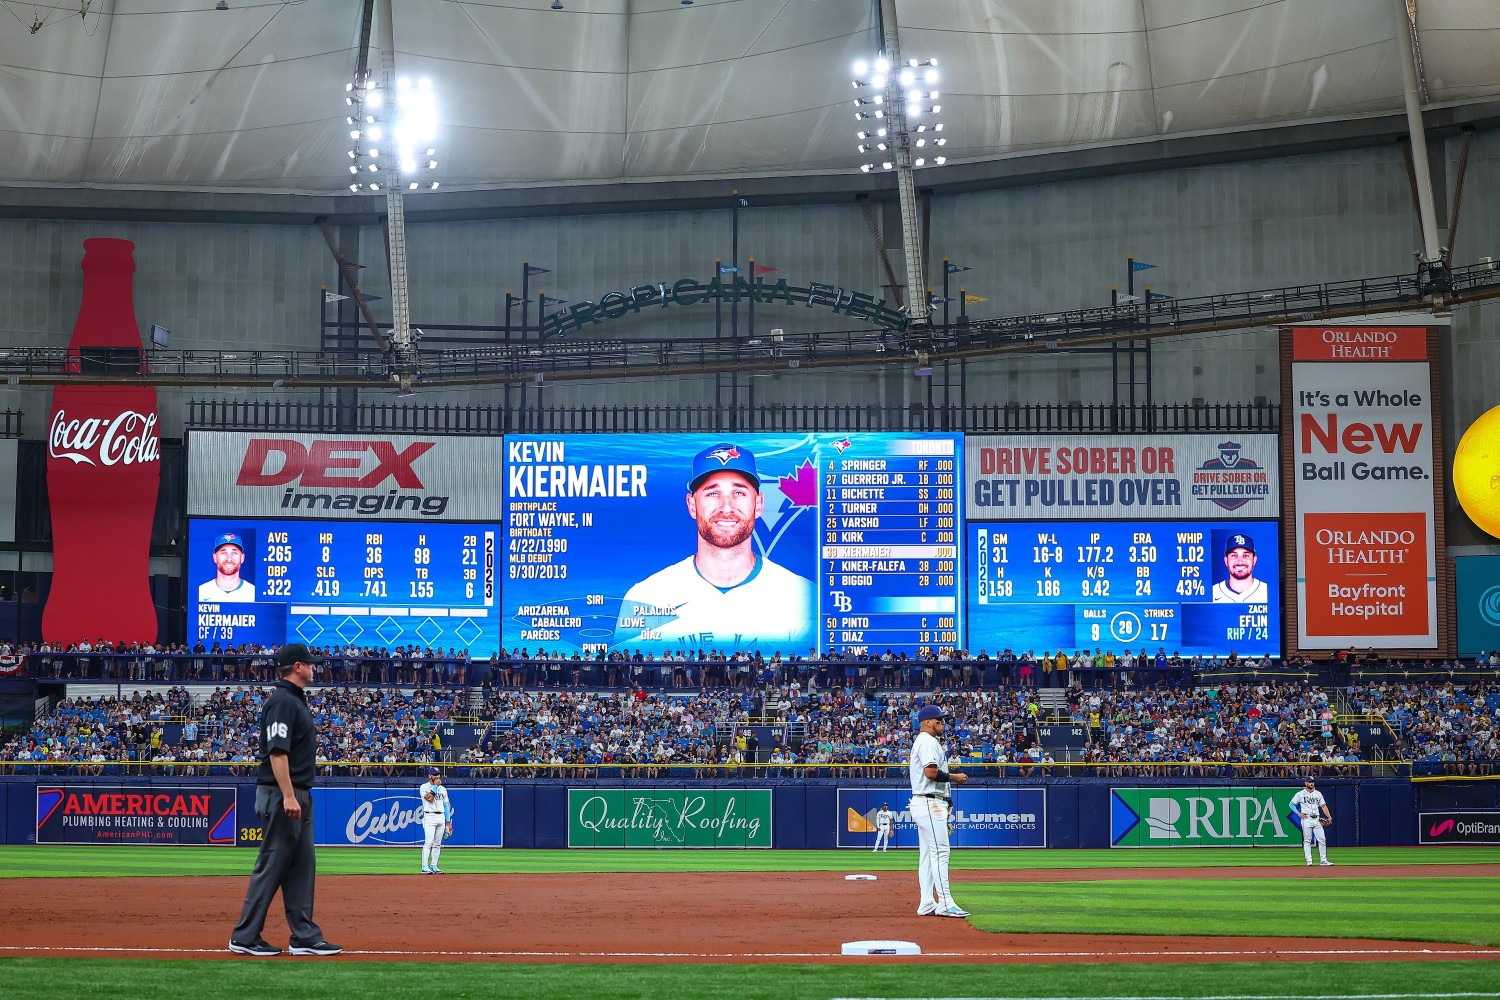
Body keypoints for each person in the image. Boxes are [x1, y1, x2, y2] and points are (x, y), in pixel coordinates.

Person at [616, 443, 813, 649]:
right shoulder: (645, 597)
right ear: (692, 505)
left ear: (759, 504)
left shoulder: (802, 596)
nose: (726, 507)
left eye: (739, 493)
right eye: (712, 493)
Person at [229, 643, 341, 957]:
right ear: (297, 666)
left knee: (303, 866)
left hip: (297, 793)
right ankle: (244, 936)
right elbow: (278, 753)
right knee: (271, 865)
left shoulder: (294, 699)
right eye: (310, 663)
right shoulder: (282, 701)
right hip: (283, 794)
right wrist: (289, 796)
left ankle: (304, 936)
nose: (314, 667)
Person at [908, 704, 968, 918]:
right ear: (927, 722)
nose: (943, 723)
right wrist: (955, 777)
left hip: (930, 801)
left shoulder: (927, 741)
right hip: (929, 803)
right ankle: (945, 903)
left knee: (927, 855)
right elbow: (931, 773)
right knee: (941, 851)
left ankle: (927, 902)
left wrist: (947, 798)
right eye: (939, 720)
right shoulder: (927, 741)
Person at [199, 532, 257, 603]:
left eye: (234, 553)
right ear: (215, 557)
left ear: (242, 558)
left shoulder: (254, 593)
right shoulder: (201, 592)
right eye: (223, 553)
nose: (229, 559)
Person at [1290, 776, 1334, 867]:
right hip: (1306, 819)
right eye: (1309, 782)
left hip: (1317, 819)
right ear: (1305, 783)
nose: (1311, 783)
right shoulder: (1300, 794)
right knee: (1307, 840)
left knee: (1322, 839)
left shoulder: (1318, 794)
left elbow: (1323, 806)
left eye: (1312, 782)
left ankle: (1323, 860)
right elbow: (1291, 804)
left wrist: (1329, 817)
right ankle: (1309, 861)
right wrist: (1298, 813)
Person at [1212, 532, 1267, 603]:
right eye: (1234, 555)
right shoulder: (1212, 593)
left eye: (1246, 555)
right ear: (1226, 561)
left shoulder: (1267, 592)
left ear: (1254, 560)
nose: (1240, 561)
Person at [419, 766, 453, 874]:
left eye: (438, 774)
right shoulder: (424, 787)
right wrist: (435, 786)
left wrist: (448, 822)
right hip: (429, 816)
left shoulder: (443, 789)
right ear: (430, 776)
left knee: (437, 843)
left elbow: (446, 805)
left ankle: (434, 865)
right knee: (428, 842)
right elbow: (429, 798)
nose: (437, 776)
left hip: (441, 817)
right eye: (435, 775)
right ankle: (424, 866)